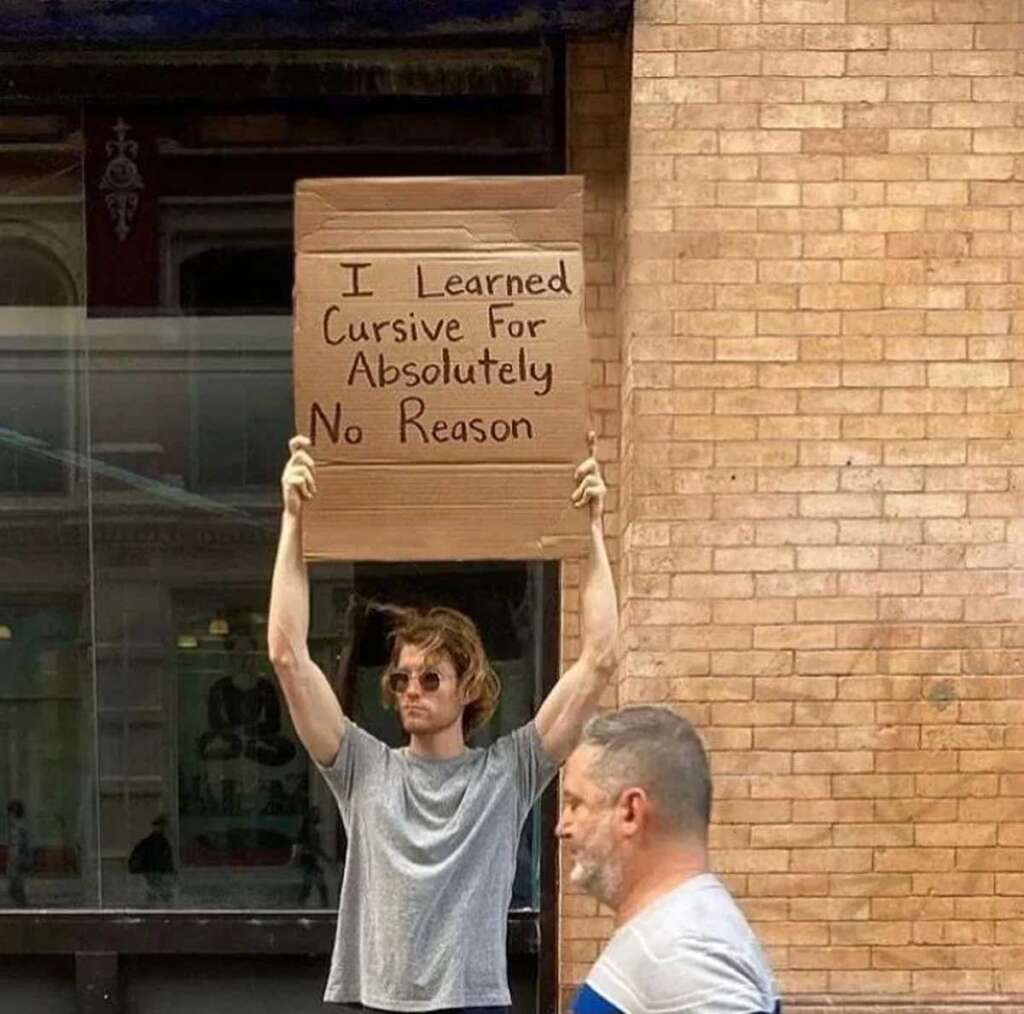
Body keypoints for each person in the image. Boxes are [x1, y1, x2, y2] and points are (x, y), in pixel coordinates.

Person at [268, 432, 618, 1011]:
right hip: (376, 1001)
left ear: (467, 688)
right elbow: (286, 654)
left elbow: (600, 657)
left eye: (431, 678)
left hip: (472, 1003)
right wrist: (293, 519)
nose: (412, 689)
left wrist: (593, 530)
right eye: (402, 678)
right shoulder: (362, 767)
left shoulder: (507, 773)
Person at [557, 707, 781, 1014]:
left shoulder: (687, 950)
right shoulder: (676, 932)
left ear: (630, 812)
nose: (561, 827)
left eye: (575, 803)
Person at [128, 815, 176, 906]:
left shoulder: (151, 842)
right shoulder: (157, 842)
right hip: (154, 871)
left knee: (155, 892)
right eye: (161, 826)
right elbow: (163, 859)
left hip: (151, 872)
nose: (162, 829)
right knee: (160, 892)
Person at [5, 800, 30, 908]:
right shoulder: (14, 828)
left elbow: (23, 847)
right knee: (13, 887)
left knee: (16, 887)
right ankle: (21, 907)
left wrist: (23, 860)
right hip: (13, 860)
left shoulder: (20, 829)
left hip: (17, 860)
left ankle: (22, 908)